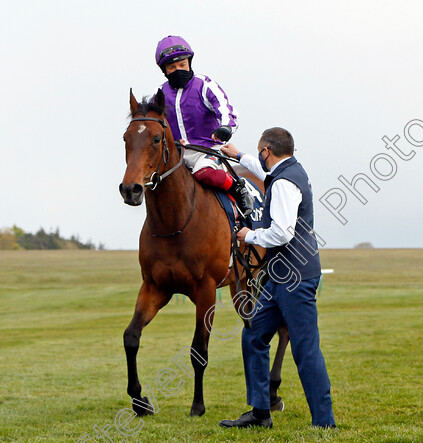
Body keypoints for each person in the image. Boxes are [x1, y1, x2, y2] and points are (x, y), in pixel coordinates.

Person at [218, 128, 336, 429]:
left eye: (260, 153)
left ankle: (324, 422)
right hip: (279, 278)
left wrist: (249, 234)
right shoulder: (289, 170)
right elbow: (262, 170)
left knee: (305, 348)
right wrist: (238, 154)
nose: (259, 158)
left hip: (294, 279)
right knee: (254, 334)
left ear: (267, 151)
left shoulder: (283, 183)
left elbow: (282, 232)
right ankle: (260, 412)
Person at [154, 35, 256, 216]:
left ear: (189, 63)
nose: (178, 69)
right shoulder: (161, 93)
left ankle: (238, 189)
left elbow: (226, 110)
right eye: (172, 67)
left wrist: (225, 128)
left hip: (207, 151)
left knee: (205, 173)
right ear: (164, 70)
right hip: (177, 154)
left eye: (182, 65)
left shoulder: (204, 85)